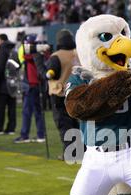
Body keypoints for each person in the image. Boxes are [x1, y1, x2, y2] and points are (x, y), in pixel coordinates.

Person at [40, 29, 79, 160]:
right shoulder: (77, 54)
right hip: (75, 93)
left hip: (59, 94)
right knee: (76, 123)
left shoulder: (56, 56)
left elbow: (50, 75)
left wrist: (38, 61)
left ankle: (70, 153)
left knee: (63, 124)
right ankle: (80, 150)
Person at [14, 34, 47, 144]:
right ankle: (40, 135)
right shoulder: (38, 53)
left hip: (32, 85)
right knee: (37, 111)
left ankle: (25, 135)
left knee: (27, 112)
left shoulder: (32, 54)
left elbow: (23, 54)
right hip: (35, 85)